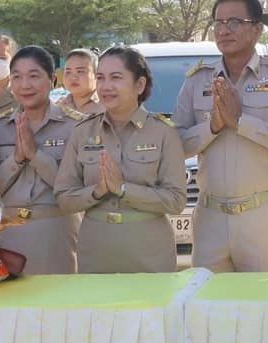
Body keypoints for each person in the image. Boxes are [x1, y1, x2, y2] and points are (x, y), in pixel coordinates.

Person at [173, 0, 268, 272]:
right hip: (209, 215)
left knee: (262, 305)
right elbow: (175, 145)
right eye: (218, 23)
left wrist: (242, 123)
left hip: (260, 214)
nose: (224, 30)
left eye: (234, 22)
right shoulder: (197, 80)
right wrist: (212, 126)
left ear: (257, 30)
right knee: (208, 304)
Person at [55, 46, 186, 274]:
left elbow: (176, 200)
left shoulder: (163, 132)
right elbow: (64, 198)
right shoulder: (82, 132)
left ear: (140, 85)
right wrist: (96, 191)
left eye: (116, 78)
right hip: (96, 251)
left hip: (148, 253)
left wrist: (123, 189)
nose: (106, 86)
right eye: (101, 78)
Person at [0, 45, 81, 275]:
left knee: (59, 305)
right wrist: (16, 159)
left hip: (56, 231)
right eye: (17, 77)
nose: (25, 85)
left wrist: (36, 156)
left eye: (34, 76)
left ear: (52, 80)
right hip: (9, 234)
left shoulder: (75, 126)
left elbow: (74, 188)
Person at [61, 48, 104, 116]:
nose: (73, 78)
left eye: (80, 72)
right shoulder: (59, 106)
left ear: (96, 75)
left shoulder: (107, 107)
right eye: (68, 72)